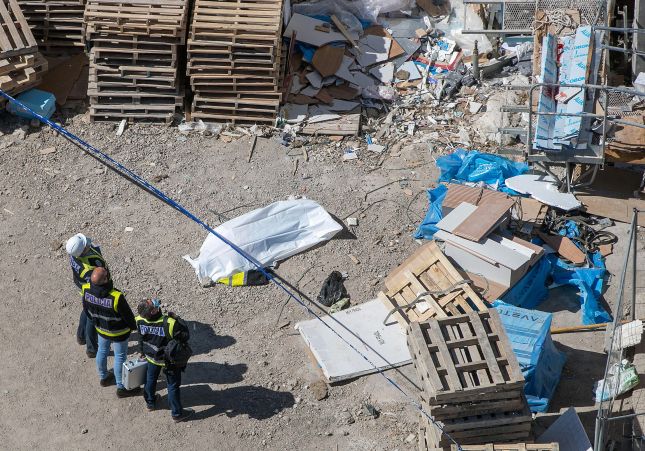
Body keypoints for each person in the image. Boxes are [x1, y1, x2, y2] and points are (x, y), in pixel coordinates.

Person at [82, 267, 140, 398]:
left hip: (101, 330)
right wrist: (133, 327)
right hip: (119, 333)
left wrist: (96, 322)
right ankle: (121, 387)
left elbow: (86, 311)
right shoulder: (116, 296)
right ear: (105, 280)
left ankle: (104, 377)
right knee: (120, 357)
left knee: (102, 351)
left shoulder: (86, 289)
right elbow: (128, 317)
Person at [136, 299, 194, 422]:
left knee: (150, 379)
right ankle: (177, 414)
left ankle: (150, 403)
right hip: (169, 360)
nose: (156, 303)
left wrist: (142, 352)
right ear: (153, 311)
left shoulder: (139, 320)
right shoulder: (169, 322)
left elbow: (140, 338)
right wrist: (178, 319)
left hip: (151, 357)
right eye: (154, 304)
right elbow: (185, 336)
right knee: (172, 385)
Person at [66, 233, 108, 358]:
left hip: (82, 287)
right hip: (92, 290)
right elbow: (98, 280)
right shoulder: (88, 267)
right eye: (85, 245)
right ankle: (91, 349)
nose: (88, 244)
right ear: (82, 251)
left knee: (85, 310)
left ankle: (81, 336)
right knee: (92, 318)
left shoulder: (75, 255)